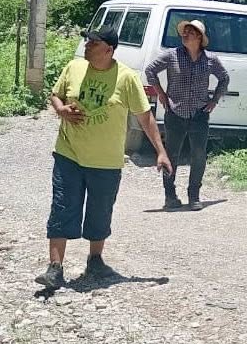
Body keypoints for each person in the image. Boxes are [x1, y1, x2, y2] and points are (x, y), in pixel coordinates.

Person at [36, 27, 172, 289]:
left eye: (93, 43)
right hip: (68, 153)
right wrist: (61, 110)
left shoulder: (126, 78)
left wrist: (161, 151)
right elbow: (56, 95)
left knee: (100, 212)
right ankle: (55, 268)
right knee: (62, 207)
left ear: (109, 50)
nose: (87, 46)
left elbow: (144, 116)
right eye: (87, 42)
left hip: (106, 160)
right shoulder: (74, 67)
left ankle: (95, 261)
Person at [145, 19, 229, 211]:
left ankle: (194, 195)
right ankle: (170, 196)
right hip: (175, 112)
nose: (185, 34)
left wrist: (214, 100)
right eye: (184, 31)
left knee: (198, 155)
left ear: (199, 37)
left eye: (190, 32)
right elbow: (150, 70)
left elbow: (224, 78)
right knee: (171, 155)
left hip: (199, 114)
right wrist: (161, 93)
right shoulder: (172, 55)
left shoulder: (210, 59)